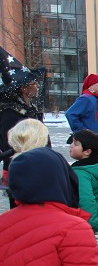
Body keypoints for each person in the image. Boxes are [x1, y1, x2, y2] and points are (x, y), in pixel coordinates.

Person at [0, 46, 46, 178]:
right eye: (33, 83)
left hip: (34, 163)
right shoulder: (10, 114)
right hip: (20, 169)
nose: (37, 86)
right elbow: (9, 145)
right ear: (24, 89)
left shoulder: (28, 109)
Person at [65, 73, 98, 174]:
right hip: (92, 143)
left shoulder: (97, 99)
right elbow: (70, 114)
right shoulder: (86, 98)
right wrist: (82, 132)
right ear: (92, 84)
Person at [68, 129, 98, 232]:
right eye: (72, 142)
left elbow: (86, 200)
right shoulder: (95, 167)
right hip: (88, 220)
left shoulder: (81, 173)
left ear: (87, 151)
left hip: (82, 223)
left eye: (76, 144)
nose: (71, 145)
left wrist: (93, 224)